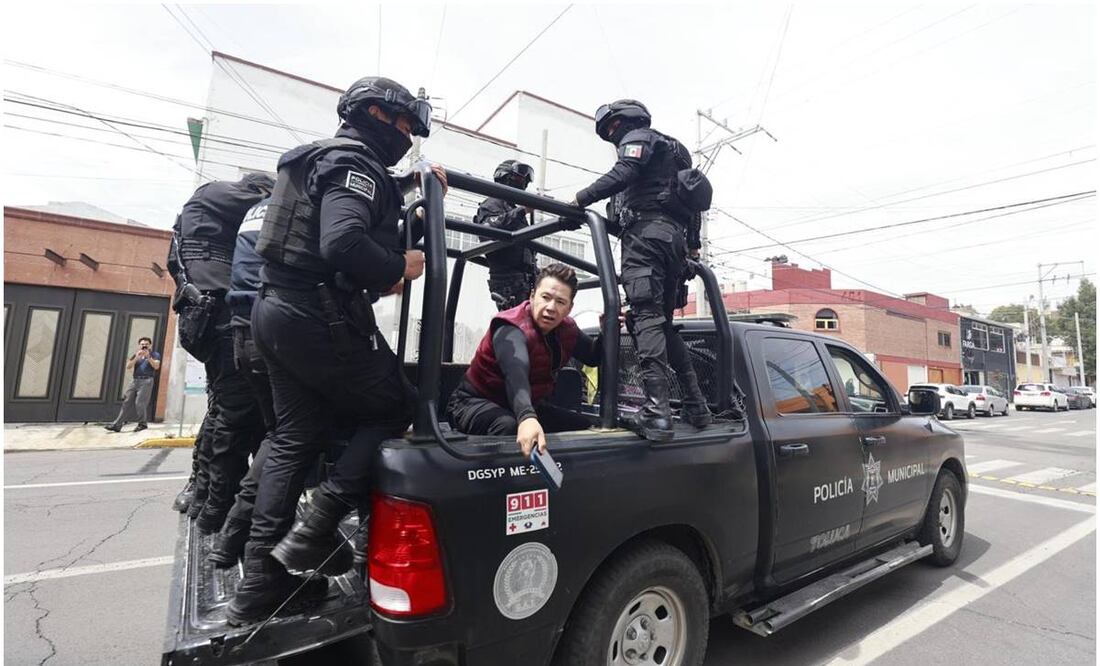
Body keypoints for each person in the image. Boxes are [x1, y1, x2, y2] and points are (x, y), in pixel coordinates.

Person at [226, 75, 446, 626]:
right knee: (395, 407)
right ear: (373, 112)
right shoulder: (356, 163)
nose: (405, 136)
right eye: (402, 124)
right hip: (317, 317)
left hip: (274, 312)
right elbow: (344, 241)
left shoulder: (317, 161)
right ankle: (316, 528)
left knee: (293, 438)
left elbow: (345, 232)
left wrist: (410, 203)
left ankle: (259, 583)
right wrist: (401, 265)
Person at [573, 99, 712, 442]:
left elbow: (625, 173)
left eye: (612, 127)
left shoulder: (641, 138)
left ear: (628, 121)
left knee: (645, 318)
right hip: (673, 243)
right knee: (661, 325)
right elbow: (693, 209)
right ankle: (696, 405)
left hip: (646, 240)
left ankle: (657, 412)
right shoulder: (677, 153)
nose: (611, 134)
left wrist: (579, 199)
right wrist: (692, 246)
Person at [174, 173, 274, 535]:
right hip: (216, 318)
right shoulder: (216, 195)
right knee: (236, 415)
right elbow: (277, 208)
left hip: (204, 318)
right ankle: (218, 506)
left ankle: (200, 494)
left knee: (222, 410)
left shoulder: (206, 216)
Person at [447, 263, 599, 455]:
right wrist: (527, 417)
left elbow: (593, 357)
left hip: (524, 405)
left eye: (560, 302)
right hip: (473, 403)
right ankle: (509, 484)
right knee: (508, 427)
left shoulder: (568, 329)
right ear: (532, 296)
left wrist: (609, 329)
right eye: (545, 297)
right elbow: (515, 374)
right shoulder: (511, 326)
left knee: (584, 426)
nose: (551, 307)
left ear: (570, 308)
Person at [207, 196, 276, 567]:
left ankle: (228, 533)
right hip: (272, 327)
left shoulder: (258, 210)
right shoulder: (298, 202)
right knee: (291, 438)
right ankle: (252, 547)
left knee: (276, 435)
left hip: (243, 329)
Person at [474, 160, 539, 311]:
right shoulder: (491, 204)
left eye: (525, 181)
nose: (523, 185)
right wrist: (522, 210)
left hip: (525, 281)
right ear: (504, 177)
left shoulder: (513, 209)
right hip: (508, 283)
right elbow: (489, 231)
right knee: (516, 327)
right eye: (519, 179)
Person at [105, 337, 161, 432]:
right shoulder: (136, 354)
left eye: (146, 344)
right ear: (139, 345)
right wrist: (136, 358)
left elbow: (156, 366)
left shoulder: (155, 354)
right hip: (135, 381)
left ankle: (142, 424)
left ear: (150, 345)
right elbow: (128, 366)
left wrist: (148, 357)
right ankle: (117, 425)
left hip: (146, 381)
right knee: (126, 402)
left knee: (140, 403)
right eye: (142, 344)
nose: (144, 346)